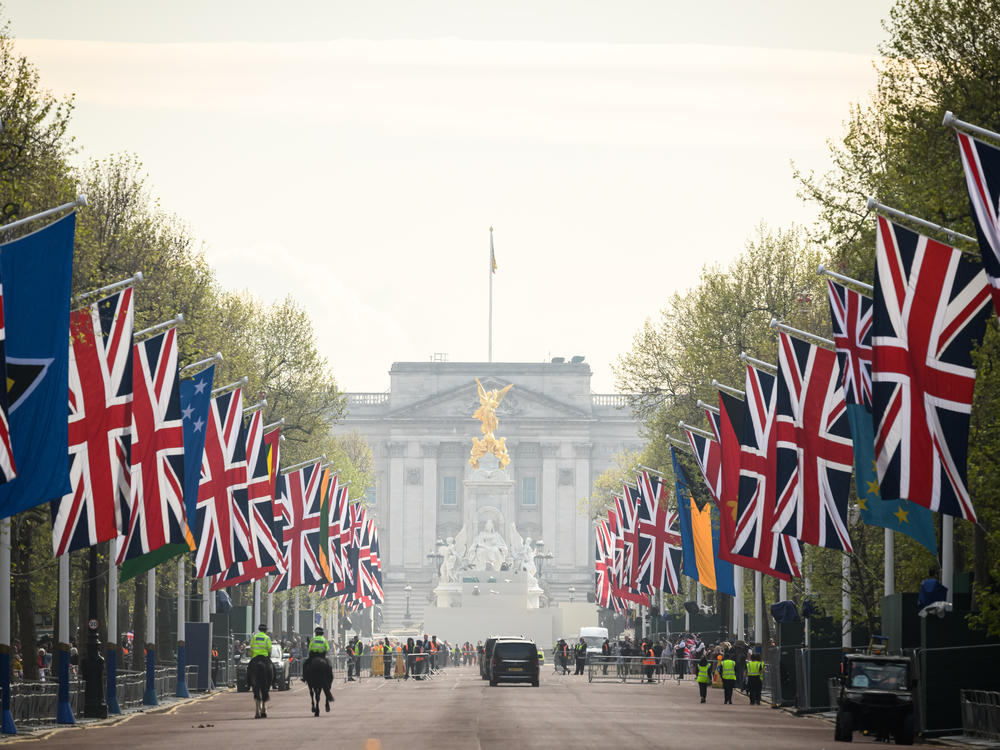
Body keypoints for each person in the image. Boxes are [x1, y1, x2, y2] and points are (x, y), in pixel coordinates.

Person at [247, 624, 274, 690]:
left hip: (255, 657)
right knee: (272, 669)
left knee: (248, 669)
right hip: (264, 657)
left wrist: (251, 655)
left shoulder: (254, 637)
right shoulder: (267, 638)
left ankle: (248, 683)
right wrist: (269, 655)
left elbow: (251, 647)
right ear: (266, 630)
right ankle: (273, 683)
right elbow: (269, 649)